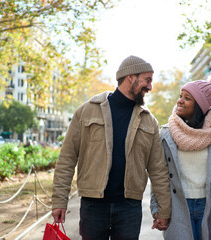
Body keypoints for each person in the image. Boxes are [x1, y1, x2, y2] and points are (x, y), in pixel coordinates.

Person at [52, 55, 171, 240]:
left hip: (129, 209)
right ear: (130, 77)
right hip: (93, 207)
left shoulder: (149, 121)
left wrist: (163, 210)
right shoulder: (86, 111)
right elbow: (67, 158)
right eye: (147, 80)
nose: (150, 87)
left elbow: (158, 169)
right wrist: (59, 200)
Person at [150, 73, 211, 240]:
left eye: (187, 98)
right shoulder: (166, 134)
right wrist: (157, 208)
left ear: (200, 106)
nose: (179, 100)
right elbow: (159, 174)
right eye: (180, 96)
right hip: (177, 206)